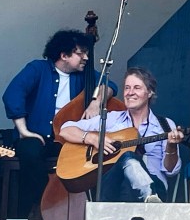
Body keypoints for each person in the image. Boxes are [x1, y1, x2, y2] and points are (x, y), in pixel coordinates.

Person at [2, 29, 117, 219]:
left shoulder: (84, 75)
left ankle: (80, 214)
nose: (86, 58)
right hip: (38, 137)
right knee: (29, 151)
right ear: (64, 55)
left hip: (67, 139)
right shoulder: (37, 69)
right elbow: (13, 94)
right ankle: (39, 207)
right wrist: (23, 130)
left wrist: (97, 101)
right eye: (81, 53)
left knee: (91, 158)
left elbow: (110, 85)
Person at [59, 67, 182, 202]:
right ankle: (148, 194)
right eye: (127, 88)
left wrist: (171, 146)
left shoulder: (164, 125)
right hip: (114, 187)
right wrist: (93, 138)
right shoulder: (111, 119)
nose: (130, 93)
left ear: (150, 92)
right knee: (127, 156)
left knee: (129, 159)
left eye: (137, 88)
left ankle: (150, 192)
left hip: (156, 185)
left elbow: (171, 171)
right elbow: (65, 129)